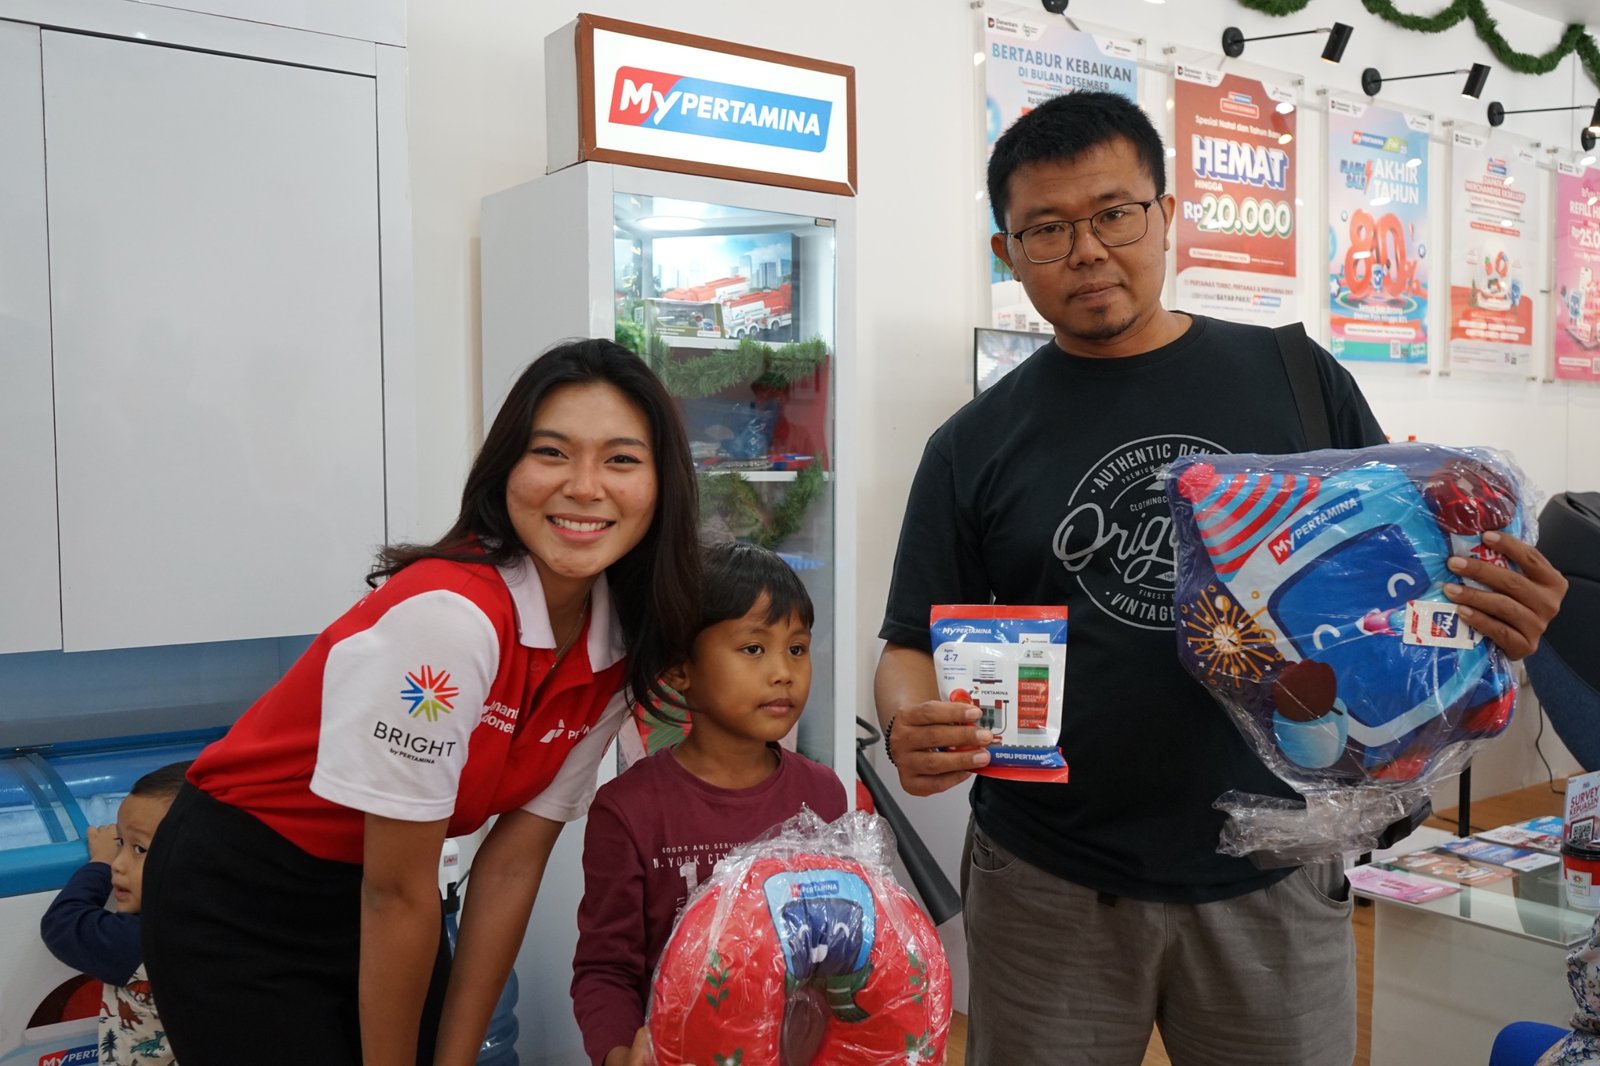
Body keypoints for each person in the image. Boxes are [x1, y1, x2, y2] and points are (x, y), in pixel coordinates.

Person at [873, 90, 1569, 1066]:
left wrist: (1500, 617)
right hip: (1048, 881)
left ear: (1167, 214)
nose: (1087, 250)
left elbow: (1413, 572)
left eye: (1115, 213)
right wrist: (910, 720)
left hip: (1274, 871)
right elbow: (910, 641)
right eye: (1047, 229)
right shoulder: (972, 444)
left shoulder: (1295, 377)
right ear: (1008, 251)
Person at [139, 338, 701, 1066]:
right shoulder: (449, 621)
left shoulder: (620, 640)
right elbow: (396, 893)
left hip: (385, 891)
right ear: (506, 468)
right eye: (552, 453)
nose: (585, 487)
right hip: (242, 891)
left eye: (621, 459)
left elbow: (511, 865)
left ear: (662, 484)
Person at [570, 540, 847, 1066]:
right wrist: (620, 1054)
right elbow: (606, 970)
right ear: (680, 669)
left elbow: (844, 944)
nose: (784, 672)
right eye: (754, 649)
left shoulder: (823, 793)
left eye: (797, 648)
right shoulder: (629, 810)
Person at [40, 761, 191, 1066]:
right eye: (120, 843)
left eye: (139, 849)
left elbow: (63, 922)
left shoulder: (144, 943)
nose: (119, 864)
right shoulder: (246, 926)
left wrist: (99, 863)